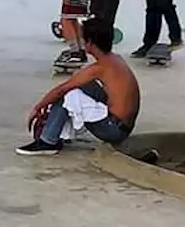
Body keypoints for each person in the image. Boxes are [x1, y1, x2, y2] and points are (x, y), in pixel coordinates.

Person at [18, 18, 140, 154]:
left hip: (113, 130)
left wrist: (38, 107)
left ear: (89, 43)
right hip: (123, 127)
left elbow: (61, 90)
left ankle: (47, 141)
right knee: (82, 84)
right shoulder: (116, 59)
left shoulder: (99, 68)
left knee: (68, 95)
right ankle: (59, 129)